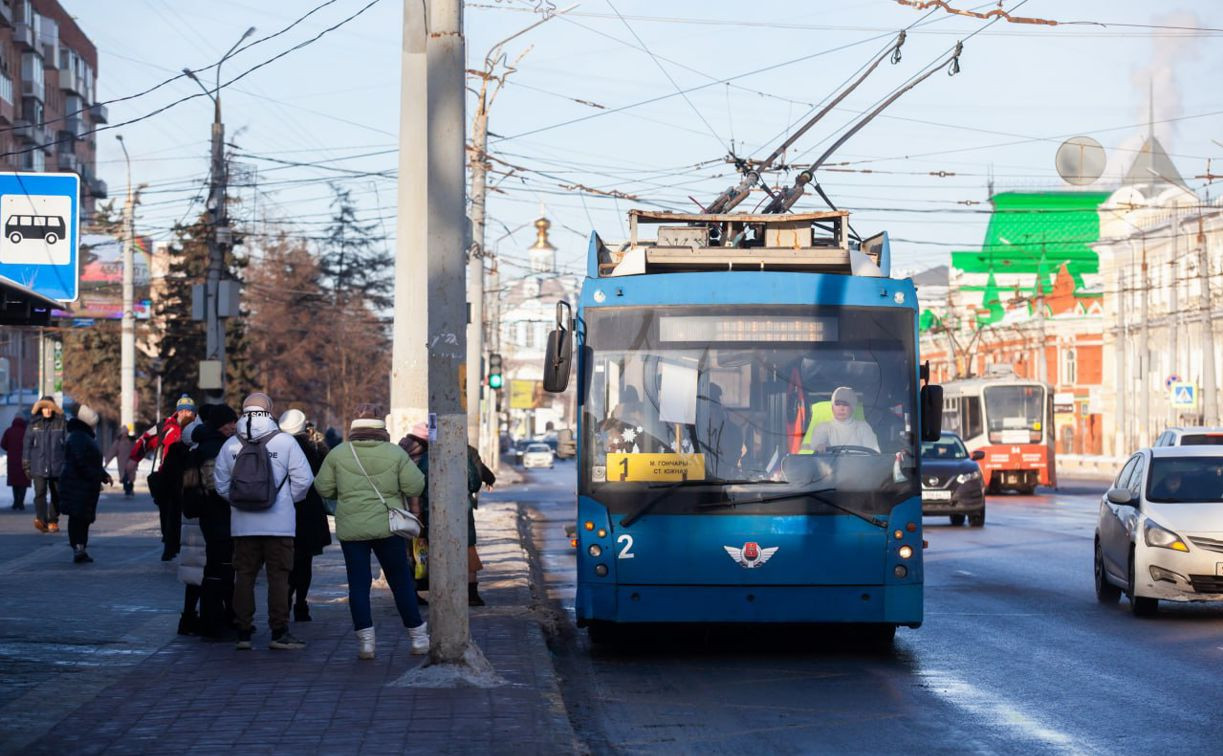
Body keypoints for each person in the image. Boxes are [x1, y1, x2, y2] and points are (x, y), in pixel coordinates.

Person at [315, 404, 427, 660]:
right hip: (388, 527)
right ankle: (418, 638)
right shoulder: (395, 453)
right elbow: (415, 484)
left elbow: (323, 488)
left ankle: (366, 644)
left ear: (353, 430)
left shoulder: (338, 454)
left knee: (358, 585)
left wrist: (346, 494)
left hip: (352, 528)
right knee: (400, 583)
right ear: (382, 430)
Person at [214, 392, 314, 651]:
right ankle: (279, 632)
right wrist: (284, 502)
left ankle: (243, 633)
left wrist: (240, 502)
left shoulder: (231, 445)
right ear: (269, 411)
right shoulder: (284, 442)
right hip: (279, 525)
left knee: (244, 577)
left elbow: (221, 484)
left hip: (242, 525)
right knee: (279, 578)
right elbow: (304, 480)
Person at [399, 423, 488, 607]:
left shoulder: (426, 458)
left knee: (436, 550)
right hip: (461, 510)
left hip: (433, 511)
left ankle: (441, 592)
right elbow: (474, 482)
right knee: (466, 550)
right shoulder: (463, 454)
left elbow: (418, 484)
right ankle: (471, 595)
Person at [188, 404, 239, 640]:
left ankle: (216, 619)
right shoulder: (214, 448)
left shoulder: (205, 444)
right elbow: (216, 486)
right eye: (229, 422)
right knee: (219, 568)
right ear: (219, 424)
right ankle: (214, 621)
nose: (233, 426)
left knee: (217, 567)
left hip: (211, 515)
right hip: (219, 514)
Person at [279, 408, 332, 622]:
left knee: (285, 561)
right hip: (309, 511)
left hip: (283, 510)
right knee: (305, 562)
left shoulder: (276, 446)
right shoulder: (313, 449)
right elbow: (325, 472)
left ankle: (285, 602)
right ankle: (301, 604)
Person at [131, 394, 198, 560]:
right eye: (182, 411)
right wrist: (134, 459)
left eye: (189, 411)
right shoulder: (165, 426)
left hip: (190, 477)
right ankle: (169, 545)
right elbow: (145, 440)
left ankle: (181, 545)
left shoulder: (199, 427)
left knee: (187, 513)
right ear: (177, 412)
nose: (185, 414)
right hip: (167, 477)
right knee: (167, 513)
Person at [58, 405, 112, 563]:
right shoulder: (78, 437)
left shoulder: (83, 436)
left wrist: (102, 475)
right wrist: (95, 476)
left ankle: (80, 548)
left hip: (83, 485)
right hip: (78, 485)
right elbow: (81, 462)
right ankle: (78, 548)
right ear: (89, 423)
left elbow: (90, 462)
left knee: (82, 518)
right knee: (78, 518)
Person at [24, 396, 67, 533]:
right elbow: (27, 446)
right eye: (44, 408)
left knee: (57, 494)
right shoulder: (33, 425)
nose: (47, 411)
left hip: (57, 465)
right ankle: (41, 520)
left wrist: (67, 464)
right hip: (38, 465)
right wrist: (26, 465)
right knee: (40, 493)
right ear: (40, 409)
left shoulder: (61, 423)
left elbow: (68, 444)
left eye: (50, 408)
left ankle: (53, 520)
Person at [800, 386, 880, 453]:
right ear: (832, 407)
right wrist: (820, 447)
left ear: (853, 408)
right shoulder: (823, 427)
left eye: (845, 404)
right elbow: (816, 450)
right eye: (837, 404)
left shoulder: (863, 427)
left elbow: (873, 453)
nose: (841, 408)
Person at [2, 415, 30, 510]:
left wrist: (9, 449)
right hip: (25, 460)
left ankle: (15, 502)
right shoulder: (27, 432)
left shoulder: (9, 431)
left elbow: (3, 444)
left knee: (15, 483)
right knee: (23, 482)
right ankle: (21, 502)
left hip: (12, 461)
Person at [104, 423, 138, 496]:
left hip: (130, 462)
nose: (125, 434)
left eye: (126, 433)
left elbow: (136, 450)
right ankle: (127, 490)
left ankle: (130, 488)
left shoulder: (131, 441)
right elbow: (112, 451)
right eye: (124, 433)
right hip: (122, 463)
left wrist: (136, 460)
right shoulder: (118, 442)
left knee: (131, 477)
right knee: (124, 477)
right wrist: (107, 461)